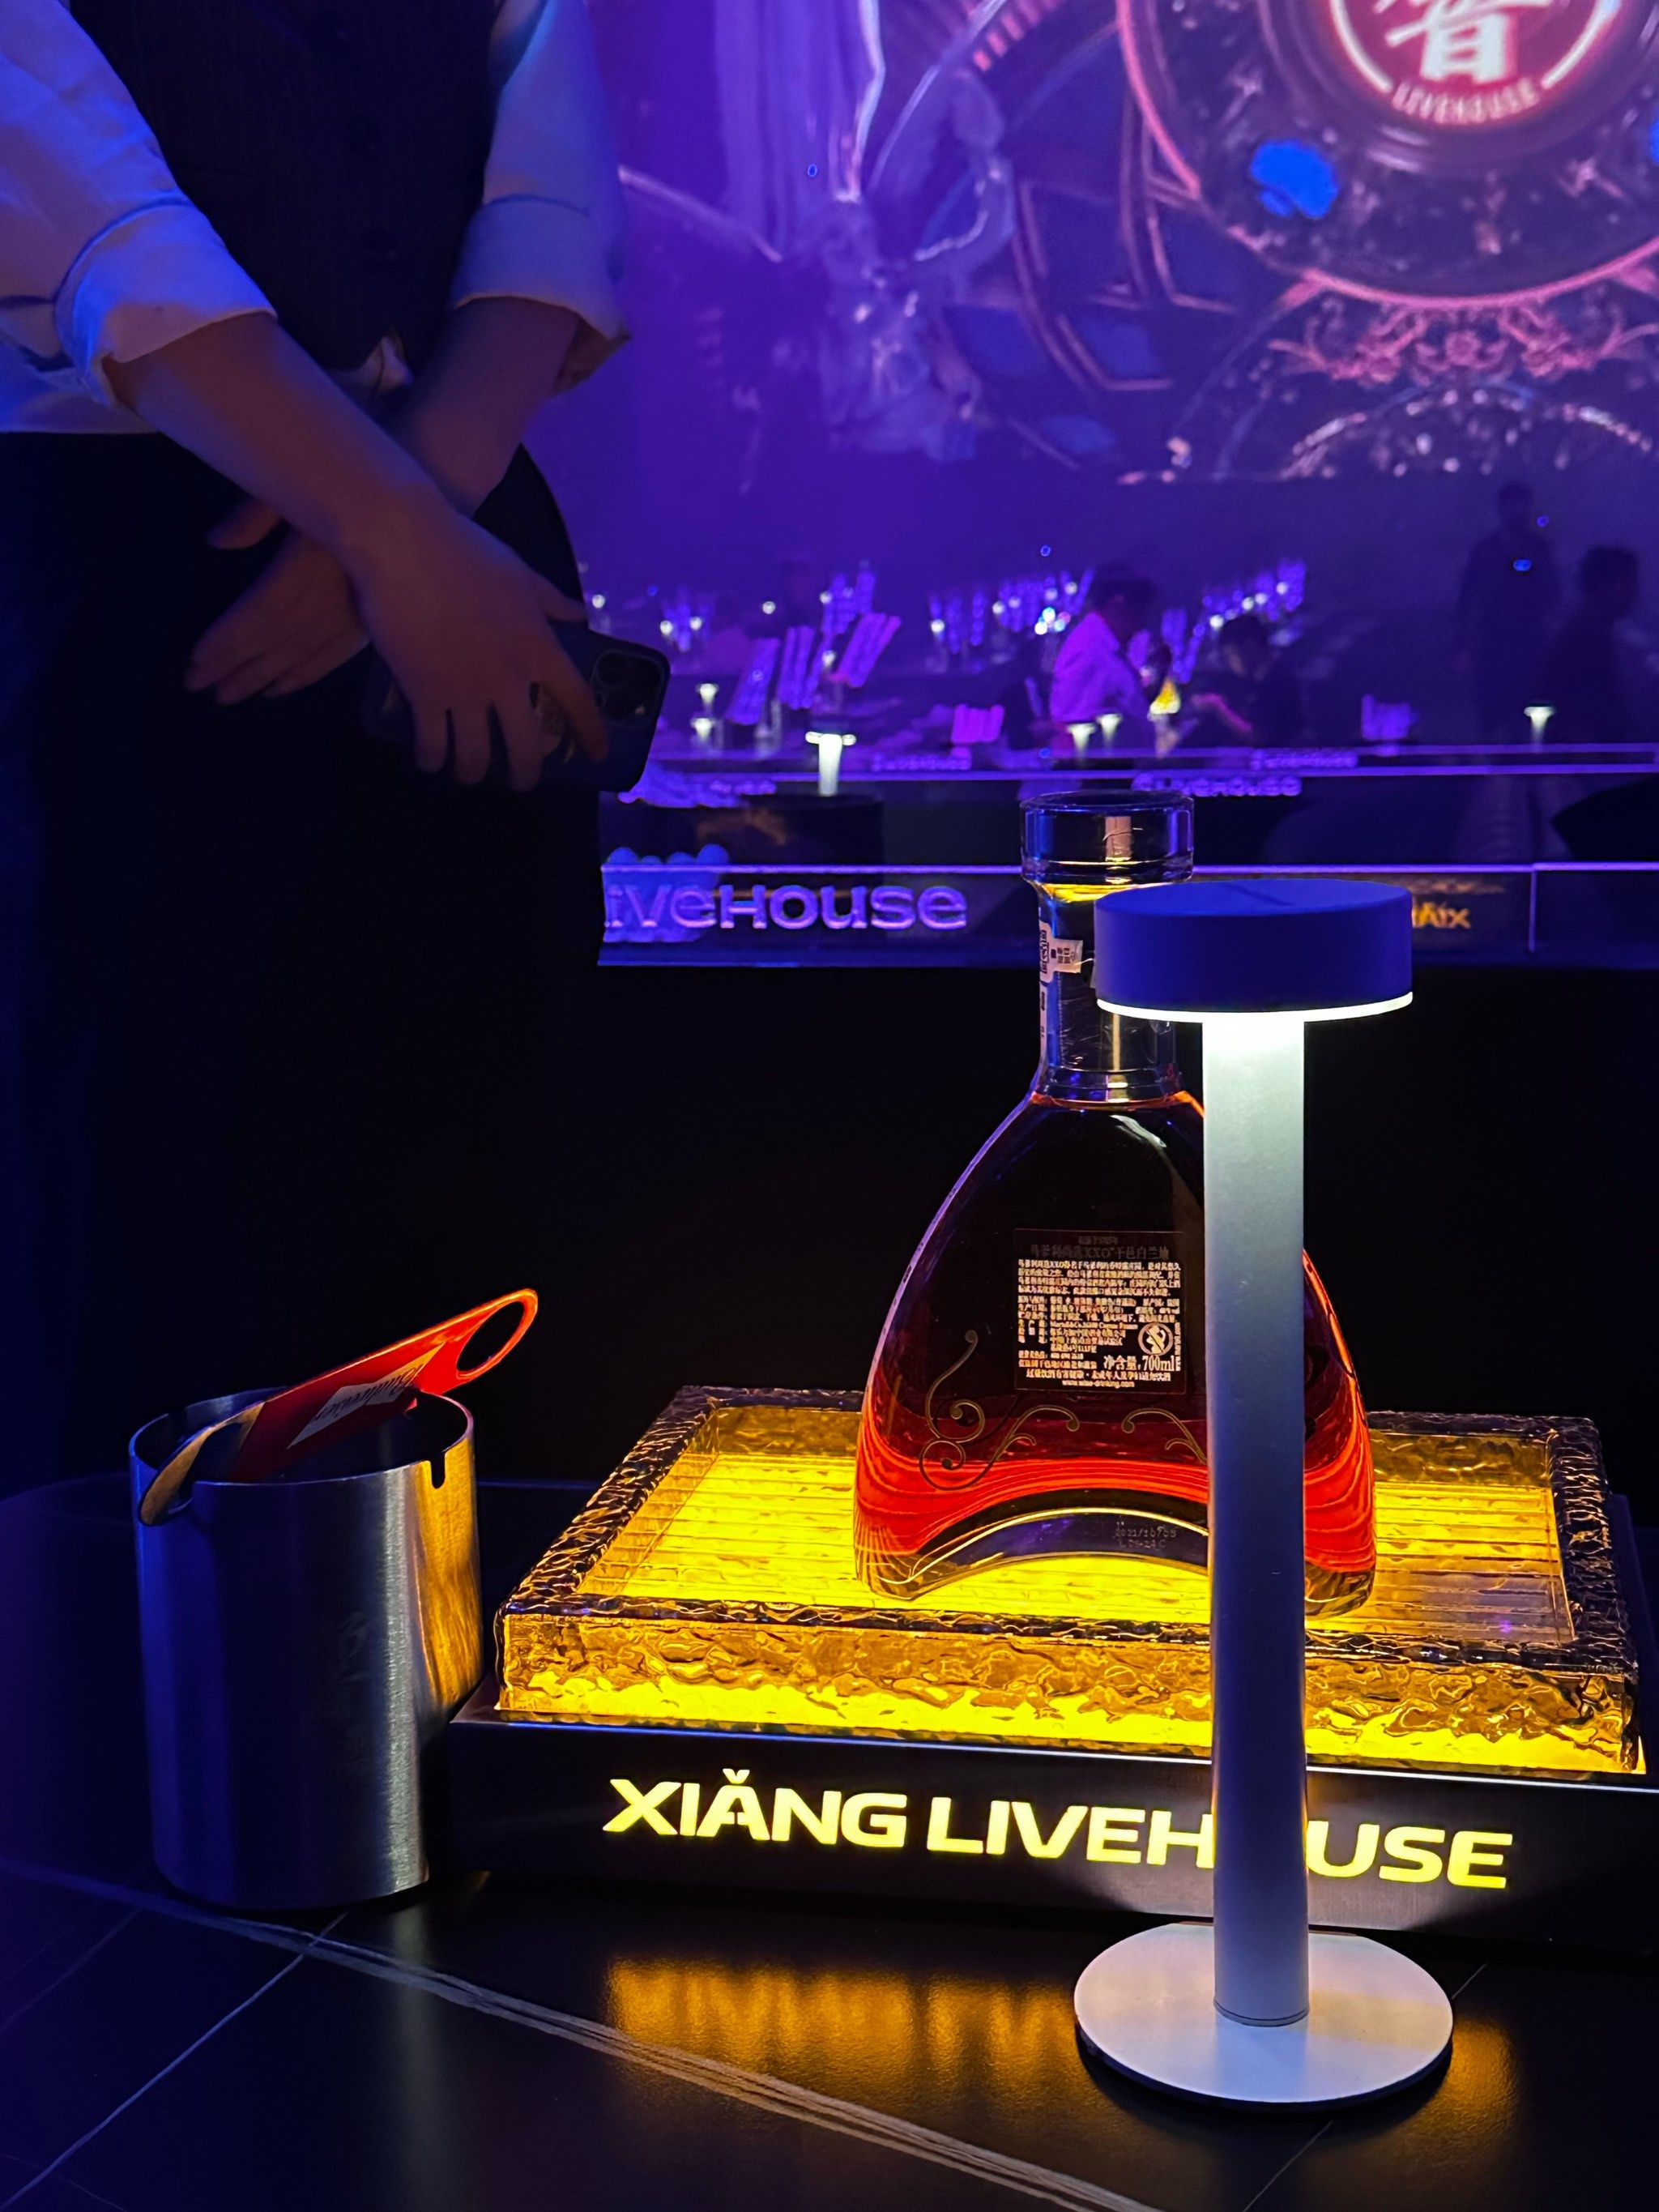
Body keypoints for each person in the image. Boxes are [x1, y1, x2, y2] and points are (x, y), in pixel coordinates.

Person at [0, 2, 628, 1483]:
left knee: (481, 1161)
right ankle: (146, 1634)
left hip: (465, 513)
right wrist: (396, 535)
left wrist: (415, 524)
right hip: (146, 528)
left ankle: (465, 1627)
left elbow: (547, 202)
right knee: (152, 1195)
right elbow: (81, 214)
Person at [1456, 481, 1561, 738]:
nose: (1517, 512)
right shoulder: (1485, 550)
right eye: (1512, 506)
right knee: (1492, 705)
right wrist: (1462, 642)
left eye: (1521, 506)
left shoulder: (1538, 549)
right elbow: (1468, 595)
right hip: (1493, 639)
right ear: (1502, 509)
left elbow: (1553, 591)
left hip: (1529, 639)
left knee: (1529, 702)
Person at [1537, 546, 1640, 746]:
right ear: (1604, 587)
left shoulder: (1596, 635)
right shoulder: (1580, 642)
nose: (1635, 593)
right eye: (1628, 584)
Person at [1048, 572, 1168, 736]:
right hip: (1103, 754)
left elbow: (1124, 709)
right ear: (1119, 604)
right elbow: (1071, 725)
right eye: (1141, 610)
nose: (1142, 623)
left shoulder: (1106, 648)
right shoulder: (1089, 650)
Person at [1186, 614, 1306, 748]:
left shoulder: (1277, 682)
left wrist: (1219, 708)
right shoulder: (1263, 679)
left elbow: (1260, 738)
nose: (1229, 663)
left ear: (1250, 646)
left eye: (1231, 654)